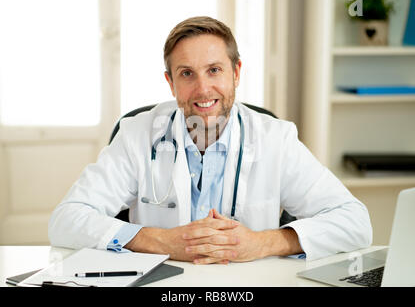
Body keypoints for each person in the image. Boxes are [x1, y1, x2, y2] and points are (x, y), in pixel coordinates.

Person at [48, 16, 372, 263]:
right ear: (171, 83)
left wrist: (263, 243)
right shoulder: (136, 134)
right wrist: (160, 241)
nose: (203, 89)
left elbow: (355, 223)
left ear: (236, 73)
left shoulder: (276, 138)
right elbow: (66, 219)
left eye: (214, 70)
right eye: (187, 73)